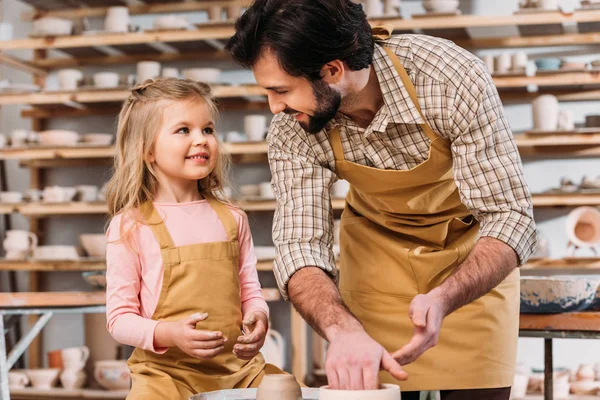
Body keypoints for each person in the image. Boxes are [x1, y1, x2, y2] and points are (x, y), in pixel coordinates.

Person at [226, 1, 536, 398]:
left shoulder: (448, 78)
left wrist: (445, 298)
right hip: (376, 269)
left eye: (280, 90)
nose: (275, 106)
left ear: (333, 70)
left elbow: (509, 214)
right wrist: (342, 329)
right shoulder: (292, 129)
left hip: (469, 267)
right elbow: (300, 246)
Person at [104, 78, 284, 399]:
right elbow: (119, 319)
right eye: (183, 130)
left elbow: (250, 290)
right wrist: (169, 333)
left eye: (208, 130)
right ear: (147, 150)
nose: (201, 140)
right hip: (165, 375)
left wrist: (258, 316)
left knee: (285, 391)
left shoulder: (232, 217)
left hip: (238, 370)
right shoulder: (130, 225)